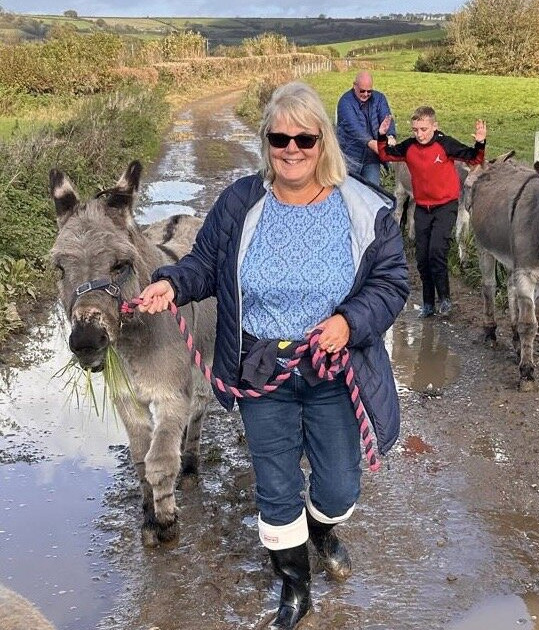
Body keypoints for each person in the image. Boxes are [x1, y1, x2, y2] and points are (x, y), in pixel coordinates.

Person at [137, 81, 409, 629]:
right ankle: (294, 586)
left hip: (335, 367)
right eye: (279, 137)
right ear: (266, 140)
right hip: (261, 366)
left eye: (303, 138)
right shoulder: (241, 201)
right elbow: (206, 264)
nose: (291, 148)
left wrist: (349, 321)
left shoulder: (362, 206)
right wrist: (172, 283)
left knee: (338, 485)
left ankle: (323, 527)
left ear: (322, 141)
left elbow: (391, 281)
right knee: (276, 482)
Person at [378, 105, 486, 318]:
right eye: (415, 130)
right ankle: (428, 303)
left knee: (437, 252)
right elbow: (385, 154)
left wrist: (480, 142)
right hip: (422, 207)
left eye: (424, 129)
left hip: (445, 206)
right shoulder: (409, 147)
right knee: (422, 257)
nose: (419, 134)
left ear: (434, 127)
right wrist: (381, 135)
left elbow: (474, 159)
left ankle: (445, 299)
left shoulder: (445, 144)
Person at [336, 70, 396, 185]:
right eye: (362, 91)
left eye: (369, 91)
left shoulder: (379, 99)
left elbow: (387, 119)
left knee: (372, 192)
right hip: (350, 157)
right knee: (350, 193)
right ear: (354, 86)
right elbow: (354, 128)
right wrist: (372, 143)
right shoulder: (345, 102)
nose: (366, 94)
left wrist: (390, 136)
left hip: (371, 158)